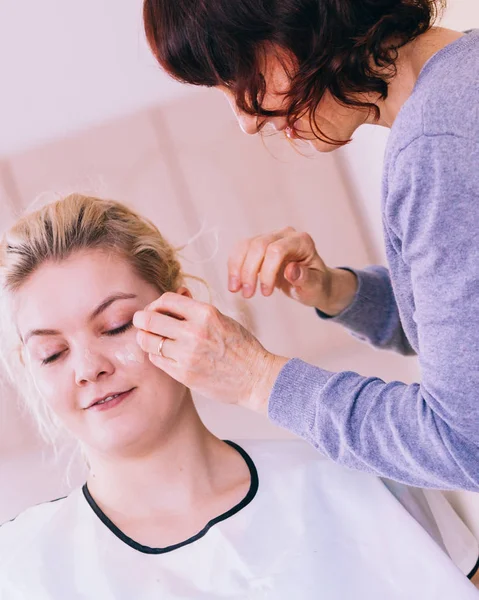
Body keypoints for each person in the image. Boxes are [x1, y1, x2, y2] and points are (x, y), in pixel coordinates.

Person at [1, 194, 479, 599]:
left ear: (182, 309)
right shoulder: (22, 567)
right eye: (52, 353)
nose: (89, 368)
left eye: (116, 326)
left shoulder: (355, 477)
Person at [140, 0, 479, 490]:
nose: (246, 120)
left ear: (297, 19)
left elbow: (464, 442)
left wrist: (257, 378)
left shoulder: (435, 145)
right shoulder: (461, 80)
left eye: (237, 79)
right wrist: (337, 292)